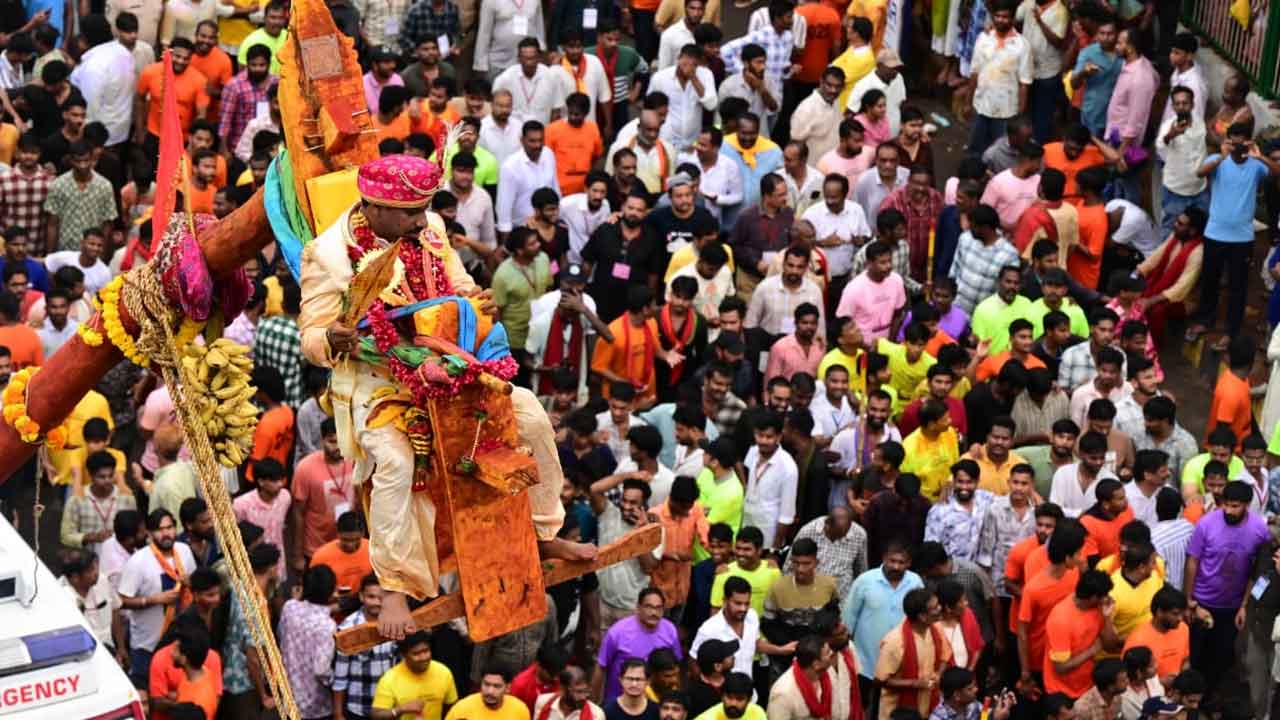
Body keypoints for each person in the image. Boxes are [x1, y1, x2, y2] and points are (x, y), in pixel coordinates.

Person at [1187, 124, 1280, 350]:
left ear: (1248, 141)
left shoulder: (1256, 165)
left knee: (1238, 286)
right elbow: (1200, 173)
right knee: (1210, 280)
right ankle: (1204, 321)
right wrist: (1221, 156)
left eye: (1242, 140)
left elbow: (1277, 173)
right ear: (1227, 140)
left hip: (1242, 238)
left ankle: (1231, 331)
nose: (1237, 145)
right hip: (1215, 233)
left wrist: (1259, 156)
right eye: (1233, 139)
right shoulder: (1219, 161)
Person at [1185, 480, 1271, 695]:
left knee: (1222, 657)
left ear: (1247, 505)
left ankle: (1212, 698)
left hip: (1232, 607)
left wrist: (1245, 605)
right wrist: (1189, 600)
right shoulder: (1206, 524)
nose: (1229, 510)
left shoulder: (1259, 530)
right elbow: (1192, 562)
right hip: (1202, 603)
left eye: (1236, 506)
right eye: (1227, 505)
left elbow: (1259, 570)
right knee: (1196, 656)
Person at [117, 509, 198, 690]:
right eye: (159, 530)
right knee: (150, 696)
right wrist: (152, 600)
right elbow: (121, 600)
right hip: (148, 645)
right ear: (149, 533)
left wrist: (189, 583)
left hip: (180, 642)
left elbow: (195, 584)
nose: (166, 533)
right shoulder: (138, 562)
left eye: (169, 527)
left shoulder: (184, 551)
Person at [1018, 518, 1087, 691]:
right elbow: (1022, 632)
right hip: (1039, 662)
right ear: (1067, 557)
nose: (1082, 557)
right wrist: (1025, 672)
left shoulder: (1075, 574)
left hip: (1065, 656)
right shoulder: (1033, 589)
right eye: (1078, 553)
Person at [332, 574, 397, 720]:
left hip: (389, 707)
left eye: (382, 598)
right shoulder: (348, 628)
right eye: (371, 597)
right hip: (359, 709)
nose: (377, 603)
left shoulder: (396, 624)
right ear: (361, 597)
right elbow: (340, 676)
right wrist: (338, 714)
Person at [371, 629, 458, 720]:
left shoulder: (443, 672)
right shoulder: (389, 679)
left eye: (426, 651)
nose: (423, 657)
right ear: (403, 656)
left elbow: (453, 707)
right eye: (416, 654)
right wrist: (400, 709)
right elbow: (376, 716)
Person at [445, 666, 531, 720]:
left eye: (497, 686)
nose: (490, 691)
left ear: (507, 688)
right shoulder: (461, 710)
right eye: (486, 684)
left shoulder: (520, 710)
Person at [692, 672, 763, 720]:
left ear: (749, 700)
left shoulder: (757, 712)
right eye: (729, 697)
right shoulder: (707, 718)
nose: (733, 703)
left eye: (740, 699)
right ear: (722, 696)